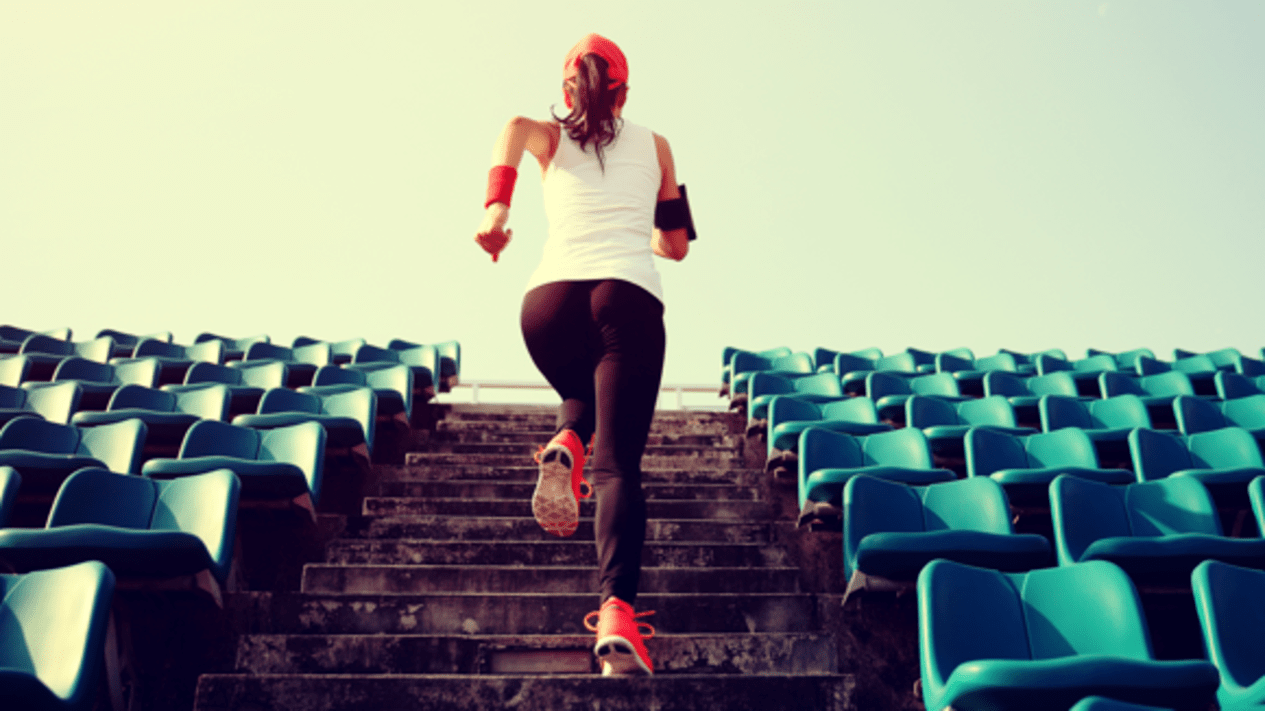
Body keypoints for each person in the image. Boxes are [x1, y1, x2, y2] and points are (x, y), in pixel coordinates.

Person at [473, 33, 691, 677]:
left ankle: (567, 439)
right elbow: (676, 245)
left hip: (546, 304)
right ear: (624, 91)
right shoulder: (656, 145)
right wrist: (635, 231)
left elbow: (513, 127)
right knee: (619, 467)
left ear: (569, 87)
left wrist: (495, 209)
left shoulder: (549, 137)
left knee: (584, 395)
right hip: (625, 299)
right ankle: (618, 614)